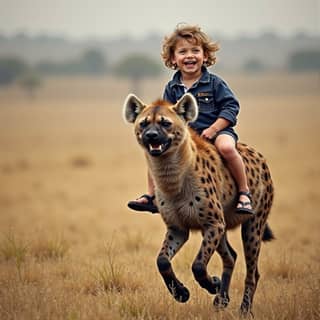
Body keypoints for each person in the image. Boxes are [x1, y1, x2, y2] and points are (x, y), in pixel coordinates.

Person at [128, 23, 254, 215]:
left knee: (227, 148)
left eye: (195, 50)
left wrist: (214, 129)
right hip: (189, 138)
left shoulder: (215, 83)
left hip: (218, 131)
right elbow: (166, 116)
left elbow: (231, 107)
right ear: (173, 58)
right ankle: (152, 196)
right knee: (155, 152)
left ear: (205, 56)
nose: (189, 56)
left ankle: (244, 193)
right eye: (182, 51)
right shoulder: (172, 87)